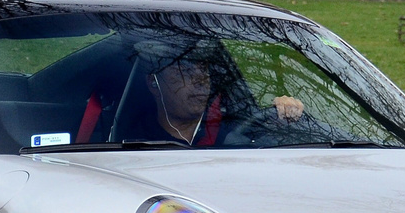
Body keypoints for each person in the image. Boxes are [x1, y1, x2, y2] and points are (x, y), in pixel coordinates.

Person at [115, 38, 304, 146]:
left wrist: (284, 116)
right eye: (185, 71)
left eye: (204, 70)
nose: (201, 80)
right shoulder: (129, 141)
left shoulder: (233, 125)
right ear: (154, 83)